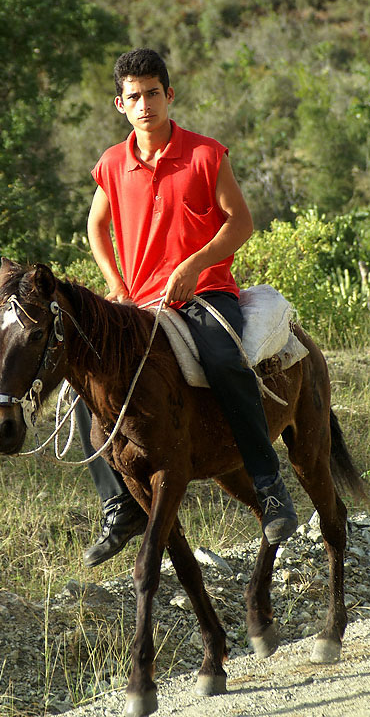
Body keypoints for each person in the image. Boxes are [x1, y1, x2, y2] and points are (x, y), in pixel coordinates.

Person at [80, 48, 297, 568]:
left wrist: (196, 266)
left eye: (153, 92)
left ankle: (268, 485)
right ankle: (119, 505)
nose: (145, 103)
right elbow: (96, 226)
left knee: (223, 361)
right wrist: (115, 283)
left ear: (169, 95)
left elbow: (239, 224)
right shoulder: (113, 163)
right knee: (86, 376)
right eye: (134, 96)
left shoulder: (204, 154)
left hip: (205, 293)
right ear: (120, 104)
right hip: (139, 303)